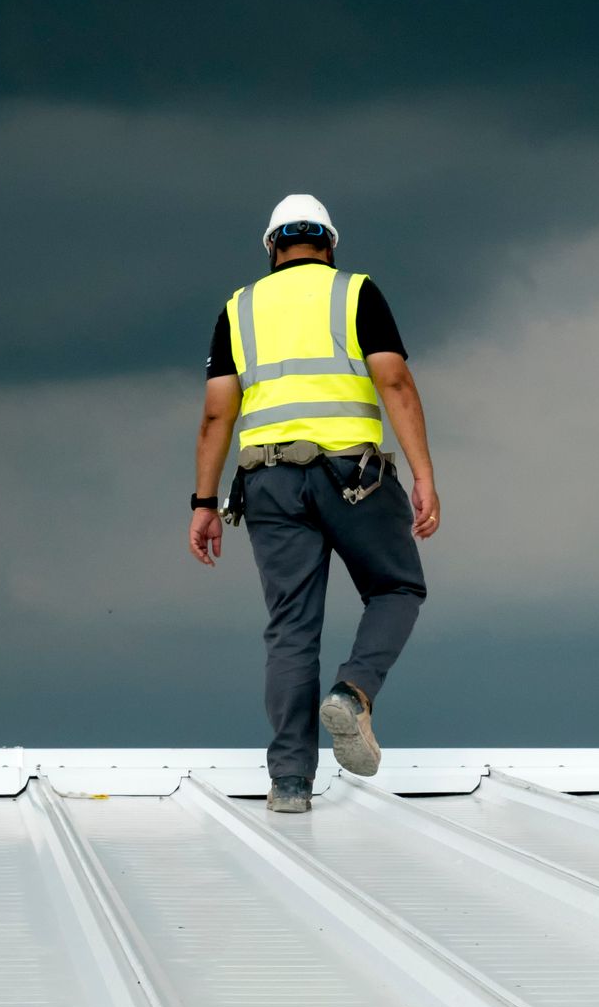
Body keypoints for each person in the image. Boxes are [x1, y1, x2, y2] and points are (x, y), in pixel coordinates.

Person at [188, 194, 440, 813]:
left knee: (291, 630)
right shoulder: (356, 292)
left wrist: (202, 501)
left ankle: (291, 784)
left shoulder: (238, 308)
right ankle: (353, 695)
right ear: (330, 242)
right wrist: (424, 474)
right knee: (396, 588)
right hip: (350, 475)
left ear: (272, 247)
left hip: (267, 483)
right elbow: (395, 381)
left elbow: (218, 410)